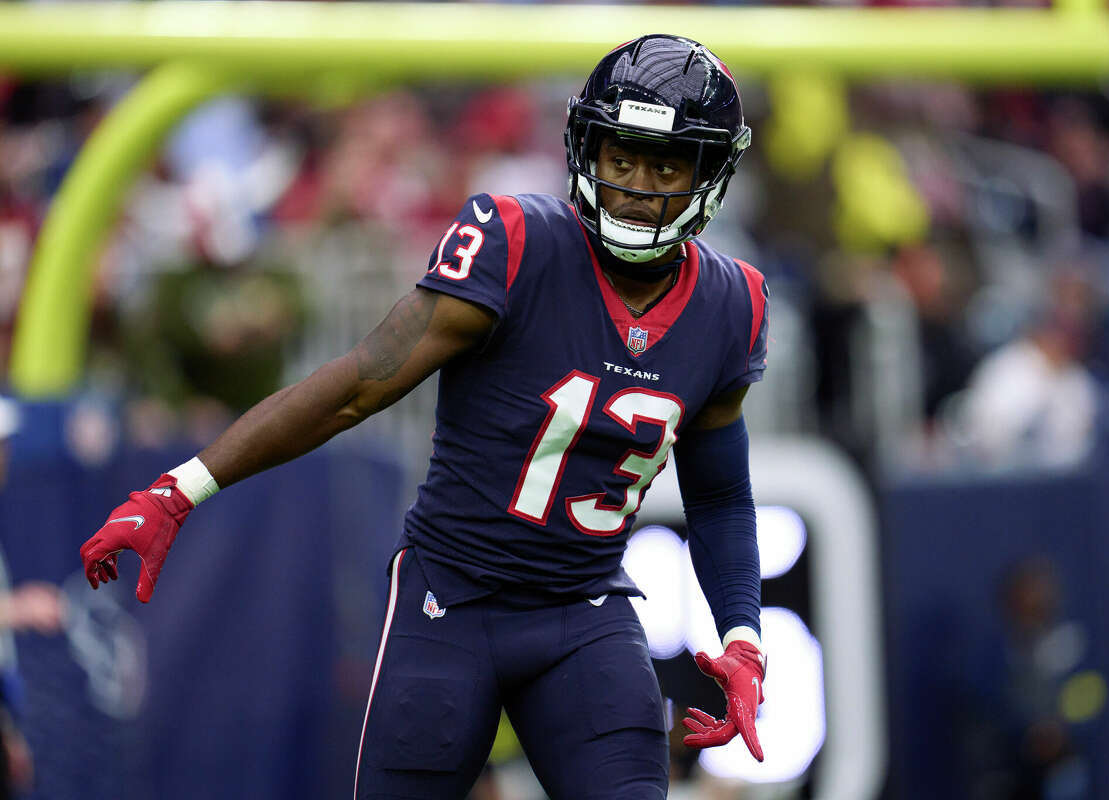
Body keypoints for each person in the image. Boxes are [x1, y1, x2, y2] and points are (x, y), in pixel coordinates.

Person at [80, 35, 769, 799]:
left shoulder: (732, 305)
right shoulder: (517, 244)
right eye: (621, 158)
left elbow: (720, 497)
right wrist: (183, 488)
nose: (637, 185)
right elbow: (359, 384)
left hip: (586, 610)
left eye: (667, 164)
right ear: (586, 151)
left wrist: (744, 638)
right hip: (453, 602)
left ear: (710, 173)